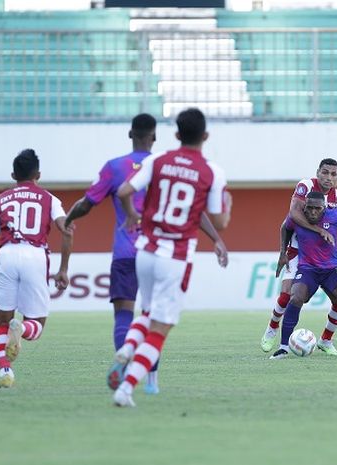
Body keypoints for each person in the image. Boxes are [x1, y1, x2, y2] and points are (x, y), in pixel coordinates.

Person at [65, 114, 228, 395]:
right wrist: (217, 236)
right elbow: (205, 214)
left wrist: (70, 218)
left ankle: (125, 353)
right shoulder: (205, 170)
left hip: (134, 251)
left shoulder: (138, 165)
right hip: (174, 255)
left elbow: (96, 200)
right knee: (158, 323)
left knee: (126, 315)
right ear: (205, 136)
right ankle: (145, 381)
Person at [110, 108, 231, 407]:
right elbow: (220, 221)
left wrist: (132, 216)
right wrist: (228, 204)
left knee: (148, 313)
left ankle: (127, 347)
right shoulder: (212, 172)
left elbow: (124, 191)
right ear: (205, 136)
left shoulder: (156, 160)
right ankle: (126, 389)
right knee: (160, 330)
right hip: (175, 257)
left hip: (146, 251)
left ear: (176, 135)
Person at [261, 158, 337, 356]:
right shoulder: (305, 186)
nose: (328, 178)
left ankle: (326, 340)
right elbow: (293, 215)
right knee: (289, 295)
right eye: (324, 173)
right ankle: (273, 329)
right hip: (298, 247)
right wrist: (315, 231)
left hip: (326, 261)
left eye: (333, 174)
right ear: (318, 172)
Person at [0, 149, 73, 388]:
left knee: (2, 323)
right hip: (35, 255)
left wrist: (1, 263)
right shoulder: (50, 199)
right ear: (38, 174)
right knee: (37, 326)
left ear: (13, 174)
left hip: (7, 252)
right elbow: (66, 229)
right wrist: (63, 269)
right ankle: (21, 328)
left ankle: (5, 372)